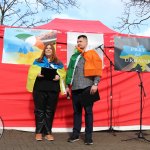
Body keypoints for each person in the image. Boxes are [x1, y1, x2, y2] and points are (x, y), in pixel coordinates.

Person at [66, 35, 102, 145]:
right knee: (76, 112)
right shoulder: (74, 56)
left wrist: (95, 83)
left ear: (86, 42)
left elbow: (97, 70)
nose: (79, 43)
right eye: (77, 41)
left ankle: (88, 137)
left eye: (81, 41)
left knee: (88, 112)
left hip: (87, 87)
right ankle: (75, 135)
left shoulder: (92, 54)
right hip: (75, 88)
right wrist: (67, 86)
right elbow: (70, 71)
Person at [26, 43, 66, 141]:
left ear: (53, 50)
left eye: (50, 48)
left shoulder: (58, 63)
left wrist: (59, 76)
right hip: (40, 88)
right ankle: (39, 132)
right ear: (44, 50)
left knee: (50, 111)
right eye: (47, 48)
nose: (48, 50)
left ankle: (48, 132)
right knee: (39, 110)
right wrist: (37, 74)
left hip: (53, 89)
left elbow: (63, 74)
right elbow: (31, 72)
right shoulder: (37, 61)